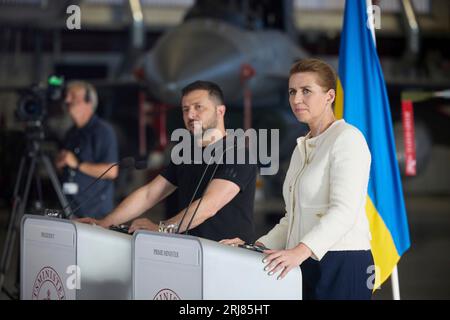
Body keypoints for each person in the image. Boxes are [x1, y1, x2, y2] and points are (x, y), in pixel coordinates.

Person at [221, 58, 374, 300]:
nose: (296, 99)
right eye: (292, 92)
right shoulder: (302, 146)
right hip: (305, 261)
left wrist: (300, 251)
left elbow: (344, 211)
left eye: (306, 91)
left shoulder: (348, 139)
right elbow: (292, 218)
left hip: (342, 261)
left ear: (330, 96)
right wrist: (256, 248)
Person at [78, 80, 256, 243]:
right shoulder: (187, 154)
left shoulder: (239, 154)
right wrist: (103, 223)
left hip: (227, 258)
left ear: (220, 111)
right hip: (189, 252)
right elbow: (150, 194)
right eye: (185, 109)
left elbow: (209, 205)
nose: (191, 115)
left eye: (198, 107)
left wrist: (163, 228)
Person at [56, 80, 118, 218]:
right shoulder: (71, 133)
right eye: (66, 95)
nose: (67, 100)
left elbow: (112, 171)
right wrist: (61, 164)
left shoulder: (103, 131)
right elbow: (66, 167)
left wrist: (77, 164)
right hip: (70, 209)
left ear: (88, 101)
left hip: (95, 214)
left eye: (73, 95)